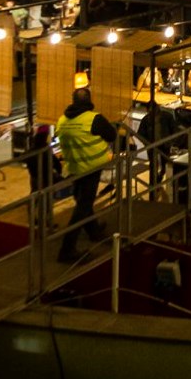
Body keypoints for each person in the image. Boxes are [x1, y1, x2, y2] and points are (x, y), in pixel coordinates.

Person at [56, 89, 119, 261]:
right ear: (89, 100)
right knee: (83, 205)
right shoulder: (93, 119)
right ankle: (67, 249)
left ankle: (94, 231)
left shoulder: (62, 121)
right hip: (91, 168)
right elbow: (111, 135)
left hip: (74, 168)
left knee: (82, 201)